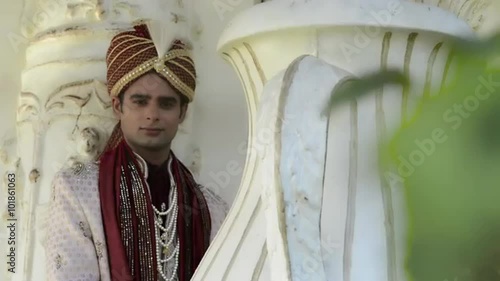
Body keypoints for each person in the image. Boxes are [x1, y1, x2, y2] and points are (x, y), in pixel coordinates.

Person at [43, 23, 228, 281]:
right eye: (140, 101)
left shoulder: (212, 209)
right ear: (118, 106)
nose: (152, 114)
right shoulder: (77, 190)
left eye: (166, 104)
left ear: (182, 113)